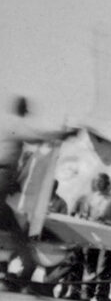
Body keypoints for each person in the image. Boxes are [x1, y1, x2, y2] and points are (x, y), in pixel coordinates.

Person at [0, 96, 75, 290]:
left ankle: (22, 269)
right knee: (16, 232)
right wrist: (63, 134)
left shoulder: (8, 123)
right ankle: (25, 268)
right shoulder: (16, 124)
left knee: (15, 230)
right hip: (4, 177)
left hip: (6, 180)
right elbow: (38, 137)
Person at [83, 172, 111, 301]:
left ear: (107, 183)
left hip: (107, 235)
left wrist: (109, 223)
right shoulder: (92, 198)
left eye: (101, 182)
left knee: (105, 265)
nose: (98, 184)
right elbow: (84, 214)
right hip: (92, 233)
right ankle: (87, 292)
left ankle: (102, 294)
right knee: (90, 263)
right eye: (96, 182)